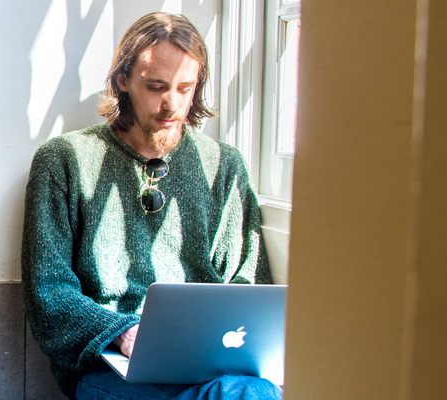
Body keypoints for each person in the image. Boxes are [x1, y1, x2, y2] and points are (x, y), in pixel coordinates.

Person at [21, 12, 280, 400]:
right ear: (123, 80)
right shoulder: (64, 160)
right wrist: (124, 333)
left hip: (211, 366)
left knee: (251, 393)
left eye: (185, 88)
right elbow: (49, 293)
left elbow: (250, 282)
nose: (171, 105)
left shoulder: (225, 166)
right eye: (156, 86)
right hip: (108, 367)